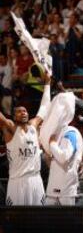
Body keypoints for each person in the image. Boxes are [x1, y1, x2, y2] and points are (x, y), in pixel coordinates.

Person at [0, 73, 51, 206]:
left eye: (25, 111)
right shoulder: (11, 128)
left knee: (38, 218)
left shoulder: (33, 126)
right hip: (17, 181)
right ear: (13, 116)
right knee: (16, 220)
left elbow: (45, 108)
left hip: (36, 180)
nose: (23, 112)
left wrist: (47, 85)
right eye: (19, 111)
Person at [40, 92, 83, 206]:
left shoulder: (71, 132)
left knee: (67, 222)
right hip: (52, 187)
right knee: (47, 222)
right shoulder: (58, 133)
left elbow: (64, 157)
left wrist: (52, 144)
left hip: (66, 190)